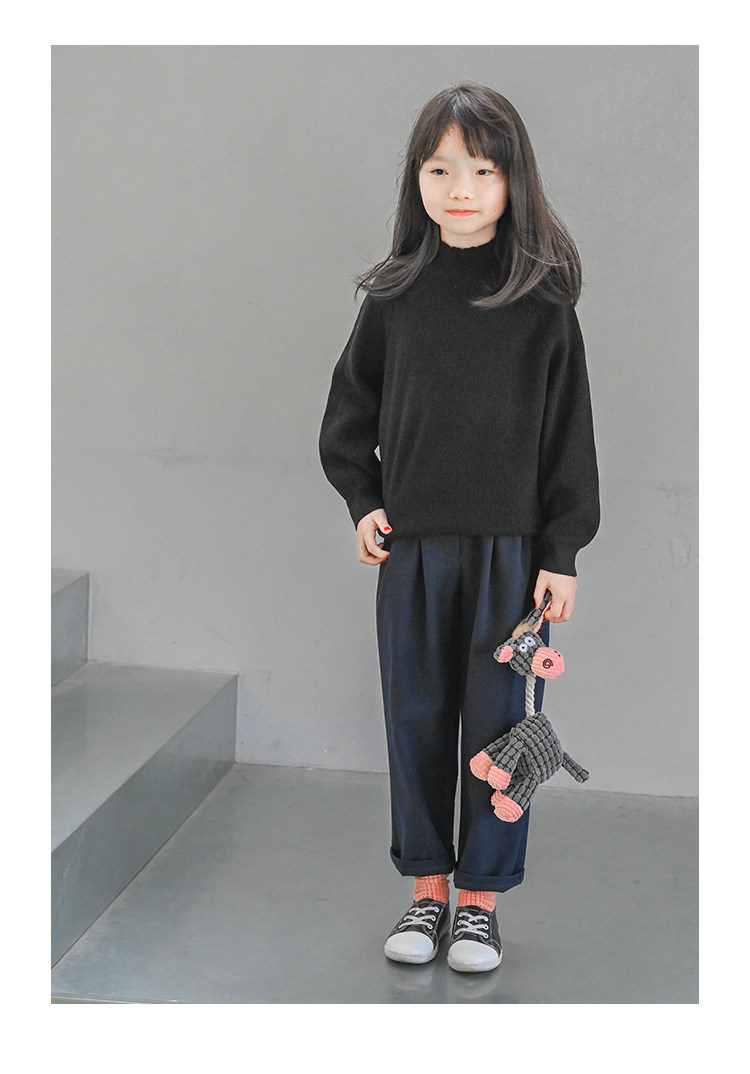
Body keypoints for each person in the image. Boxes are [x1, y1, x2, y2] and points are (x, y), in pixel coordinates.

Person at [318, 83, 600, 973]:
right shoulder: (394, 296)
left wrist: (561, 552)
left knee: (500, 731)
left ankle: (480, 903)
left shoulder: (544, 304)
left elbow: (570, 439)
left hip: (513, 563)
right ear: (417, 179)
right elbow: (347, 413)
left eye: (482, 170)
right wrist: (364, 499)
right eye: (439, 170)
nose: (461, 189)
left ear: (514, 180)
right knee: (415, 718)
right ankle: (426, 890)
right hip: (413, 554)